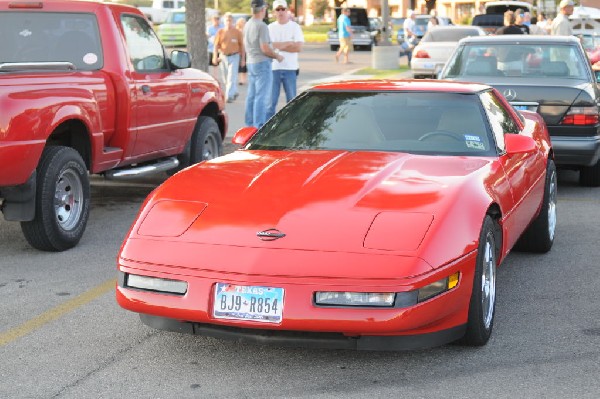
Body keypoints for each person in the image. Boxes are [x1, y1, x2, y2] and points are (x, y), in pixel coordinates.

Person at [243, 0, 284, 128]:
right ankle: (258, 126)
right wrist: (277, 56)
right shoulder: (261, 26)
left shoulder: (247, 24)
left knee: (252, 95)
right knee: (261, 96)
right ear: (262, 9)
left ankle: (249, 125)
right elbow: (265, 48)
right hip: (262, 62)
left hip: (251, 61)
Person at [267, 0, 304, 119]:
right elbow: (268, 47)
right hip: (274, 68)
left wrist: (277, 46)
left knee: (292, 101)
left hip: (290, 68)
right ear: (274, 12)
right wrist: (288, 43)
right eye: (278, 9)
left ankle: (292, 128)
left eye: (283, 9)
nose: (281, 12)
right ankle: (266, 131)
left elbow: (298, 47)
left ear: (287, 10)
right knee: (270, 103)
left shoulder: (295, 27)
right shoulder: (270, 28)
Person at [213, 12, 245, 103]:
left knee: (231, 76)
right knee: (225, 78)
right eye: (227, 20)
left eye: (230, 20)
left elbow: (242, 46)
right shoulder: (220, 32)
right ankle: (234, 91)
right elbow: (216, 45)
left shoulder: (237, 32)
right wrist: (215, 56)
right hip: (223, 56)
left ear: (233, 21)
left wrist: (243, 59)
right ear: (224, 21)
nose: (228, 22)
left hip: (234, 56)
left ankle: (229, 96)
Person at [207, 15, 223, 82]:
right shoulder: (210, 28)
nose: (216, 21)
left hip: (221, 49)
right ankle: (215, 78)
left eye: (217, 20)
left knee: (221, 64)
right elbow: (208, 36)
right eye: (215, 20)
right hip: (212, 48)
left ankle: (221, 77)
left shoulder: (222, 27)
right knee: (214, 64)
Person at [235, 17, 248, 85]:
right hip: (238, 49)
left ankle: (244, 79)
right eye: (242, 22)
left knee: (244, 65)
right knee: (239, 65)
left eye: (244, 22)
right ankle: (240, 79)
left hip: (246, 48)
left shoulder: (246, 30)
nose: (243, 23)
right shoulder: (237, 30)